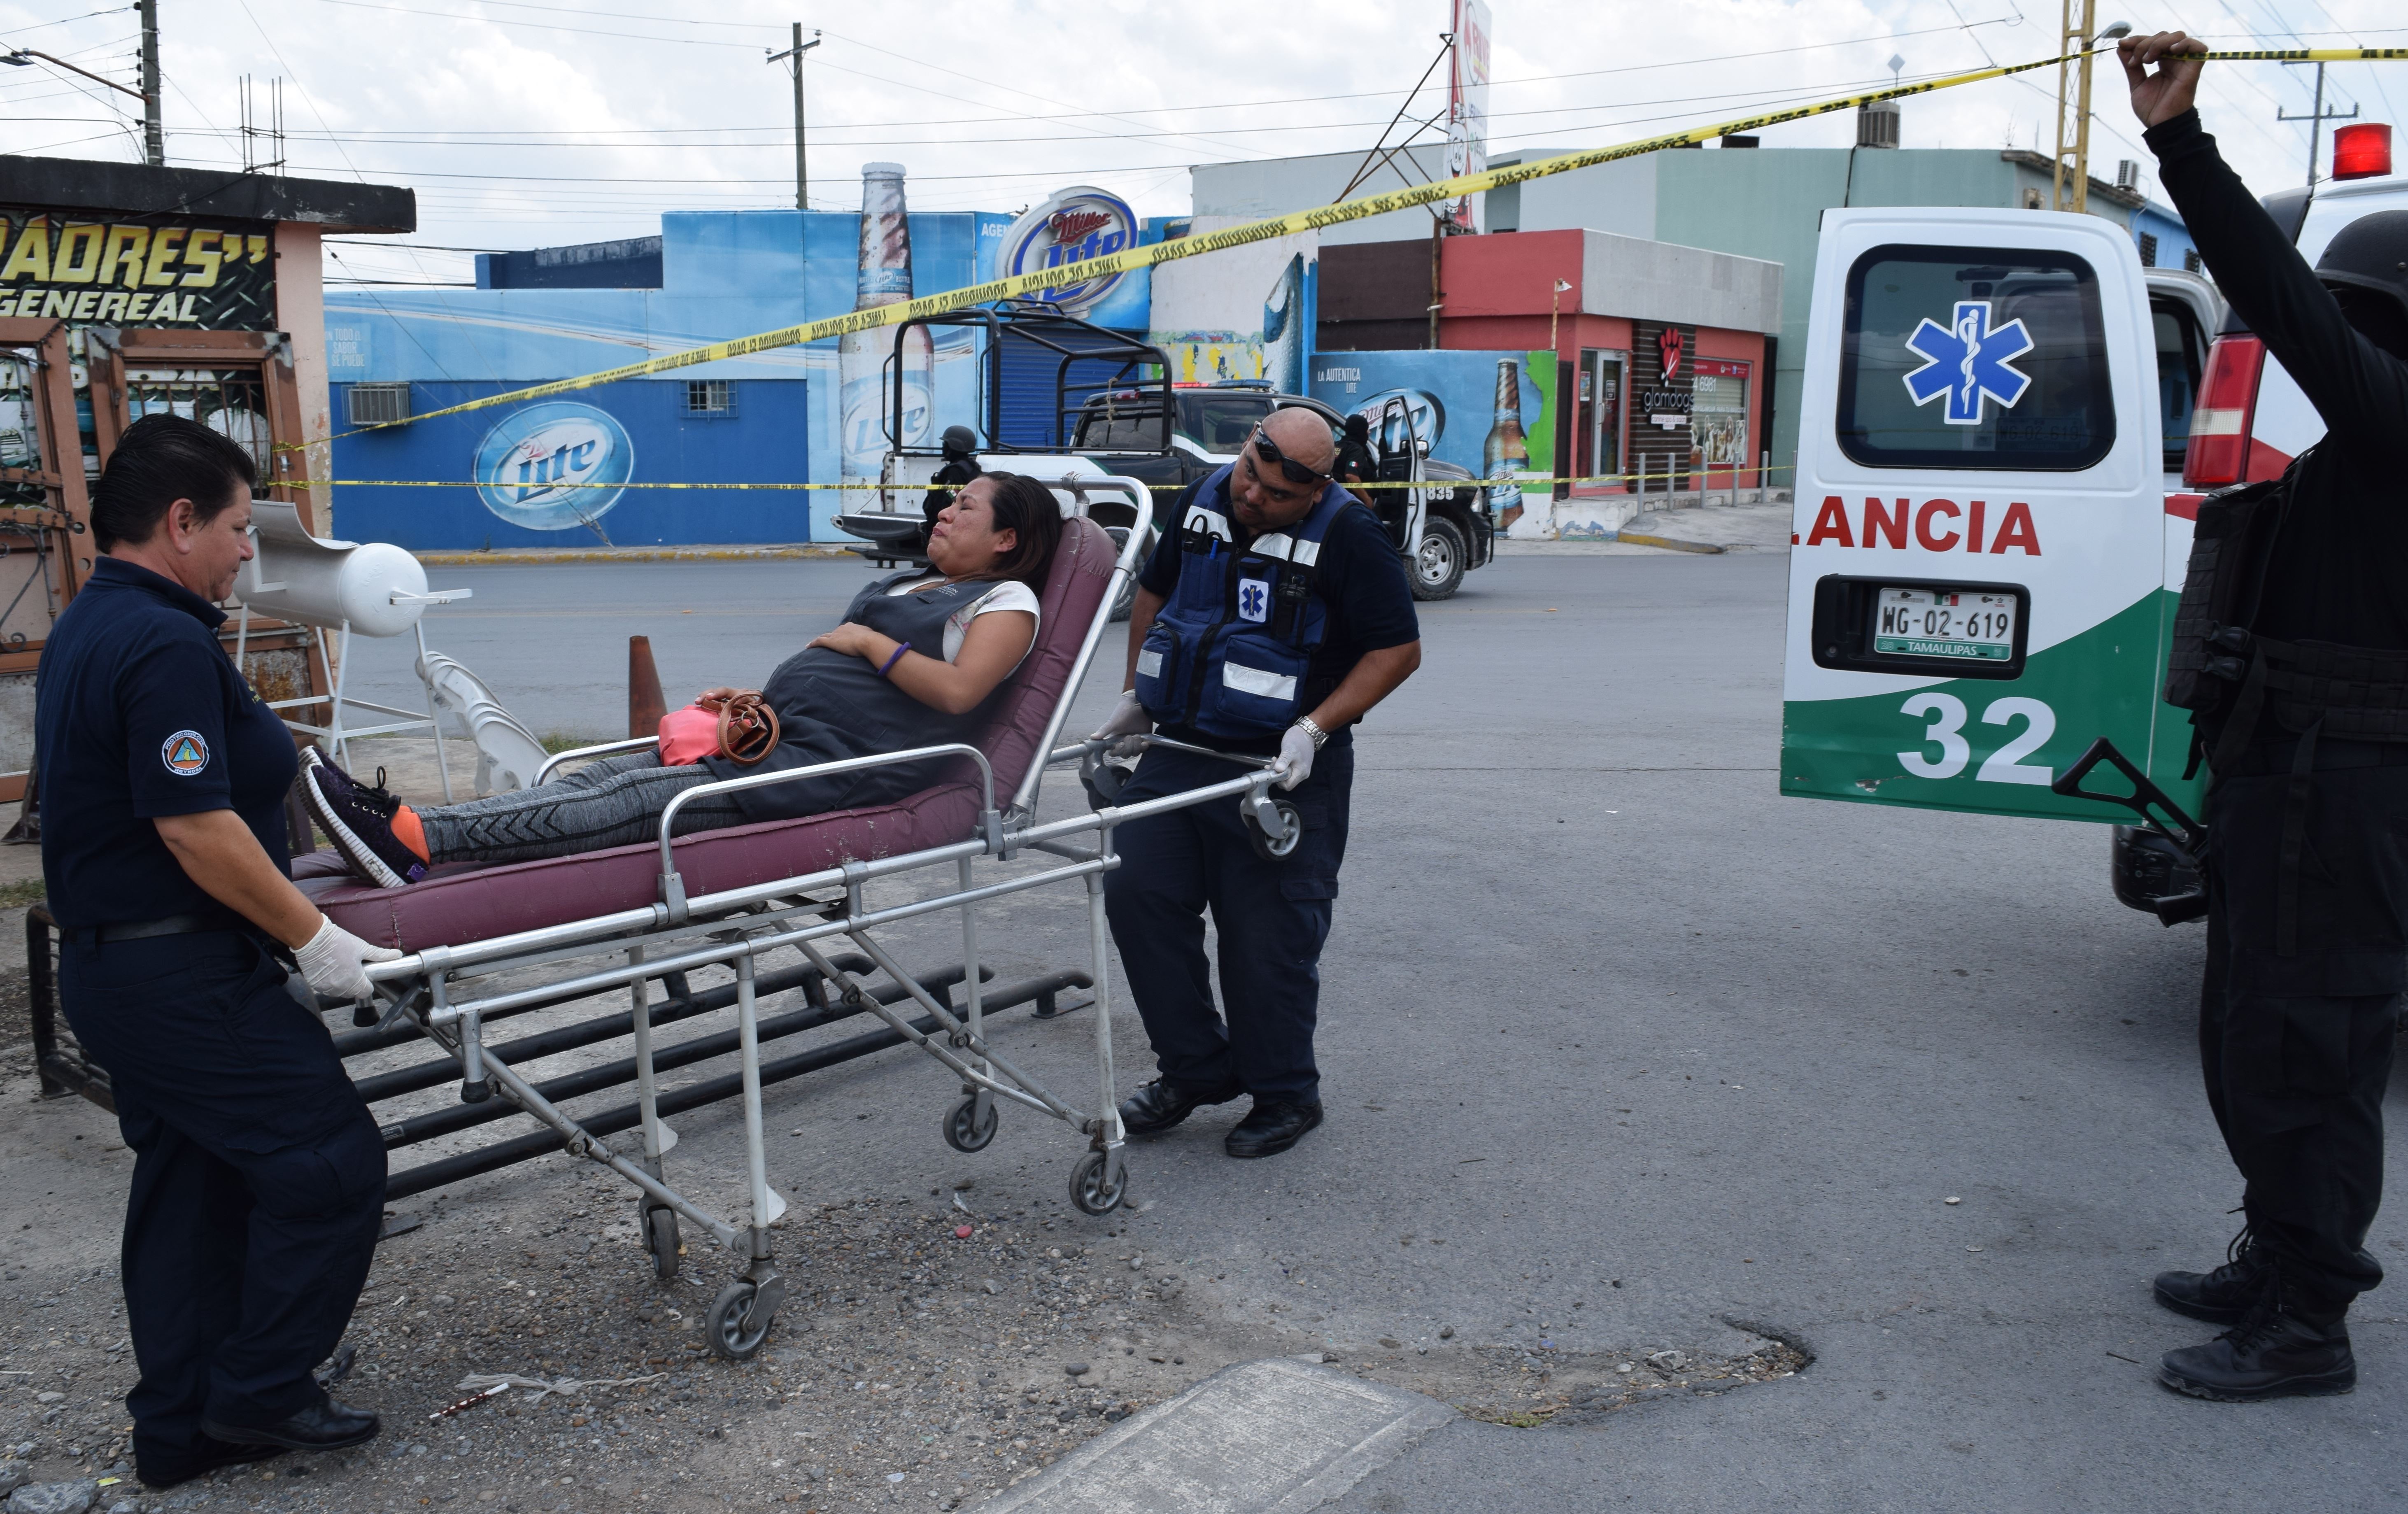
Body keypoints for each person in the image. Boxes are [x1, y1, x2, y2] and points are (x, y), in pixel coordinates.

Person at [2121, 30, 2408, 1402]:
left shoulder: (2402, 420)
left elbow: (2284, 298)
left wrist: (2181, 141)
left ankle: (2309, 1317)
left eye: (2363, 319)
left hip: (2343, 795)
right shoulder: (2363, 444)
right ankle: (2277, 1249)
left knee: (2309, 1047)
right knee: (2251, 1026)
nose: (2333, 337)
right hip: (2286, 780)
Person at [36, 414, 398, 1487]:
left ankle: (181, 1426)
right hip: (176, 970)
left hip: (122, 967)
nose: (250, 549)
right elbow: (192, 822)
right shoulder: (160, 639)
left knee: (195, 1185)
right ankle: (261, 1387)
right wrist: (319, 937)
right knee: (330, 1163)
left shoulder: (94, 622)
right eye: (240, 526)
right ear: (181, 521)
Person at [305, 474, 1063, 883]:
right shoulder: (918, 585)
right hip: (774, 738)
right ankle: (401, 832)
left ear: (1007, 538)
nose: (944, 512)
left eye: (966, 507)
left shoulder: (1007, 600)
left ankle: (415, 839)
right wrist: (756, 701)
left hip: (834, 771)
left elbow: (961, 694)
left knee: (631, 800)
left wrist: (867, 641)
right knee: (589, 779)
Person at [1090, 407, 1422, 1158]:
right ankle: (1197, 1069)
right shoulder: (1208, 493)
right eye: (1249, 474)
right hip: (1178, 746)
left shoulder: (1348, 533)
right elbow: (1155, 591)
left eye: (1274, 493)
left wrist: (1317, 728)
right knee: (1139, 895)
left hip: (1280, 769)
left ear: (1314, 489)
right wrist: (1137, 692)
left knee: (1266, 932)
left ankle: (1284, 1091)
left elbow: (1398, 649)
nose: (1252, 496)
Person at [920, 424, 984, 547]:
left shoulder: (955, 471)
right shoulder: (972, 467)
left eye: (946, 445)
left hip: (950, 528)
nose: (943, 449)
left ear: (953, 447)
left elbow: (948, 500)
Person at [1334, 412, 1379, 508]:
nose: (1369, 432)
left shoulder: (1337, 446)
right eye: (1366, 429)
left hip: (1338, 501)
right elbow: (1351, 476)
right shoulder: (1356, 449)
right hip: (1354, 504)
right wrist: (1367, 500)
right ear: (1360, 431)